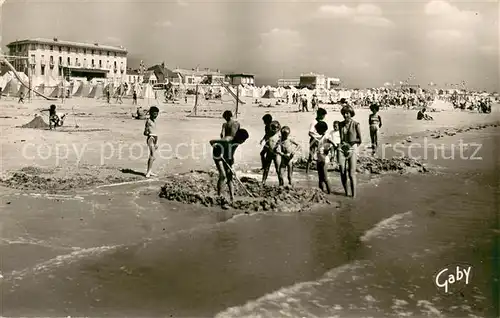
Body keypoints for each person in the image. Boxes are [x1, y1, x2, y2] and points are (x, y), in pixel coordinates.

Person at [210, 126, 249, 209]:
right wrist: (215, 147)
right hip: (217, 155)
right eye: (243, 140)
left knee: (230, 176)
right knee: (223, 175)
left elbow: (231, 154)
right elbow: (211, 141)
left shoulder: (237, 143)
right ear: (239, 138)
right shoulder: (227, 140)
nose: (244, 142)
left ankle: (232, 198)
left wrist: (232, 166)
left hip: (226, 156)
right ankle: (219, 196)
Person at [339, 104, 362, 198]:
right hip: (341, 149)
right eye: (344, 113)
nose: (345, 115)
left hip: (352, 148)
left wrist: (351, 142)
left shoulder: (356, 124)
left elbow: (360, 140)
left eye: (347, 113)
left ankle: (353, 196)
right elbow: (338, 139)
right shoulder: (340, 124)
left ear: (351, 114)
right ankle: (346, 193)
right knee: (342, 172)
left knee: (351, 174)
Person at [306, 107, 328, 174]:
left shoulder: (321, 122)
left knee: (321, 155)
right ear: (319, 114)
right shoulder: (314, 122)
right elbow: (310, 133)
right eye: (323, 115)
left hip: (320, 140)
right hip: (314, 140)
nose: (324, 117)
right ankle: (307, 171)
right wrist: (316, 139)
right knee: (311, 156)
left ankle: (321, 170)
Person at [262, 120, 283, 185]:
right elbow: (267, 141)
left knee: (278, 169)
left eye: (276, 128)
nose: (275, 130)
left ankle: (281, 182)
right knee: (266, 168)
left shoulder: (280, 135)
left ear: (278, 128)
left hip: (276, 153)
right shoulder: (269, 134)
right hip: (269, 152)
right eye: (273, 128)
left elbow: (281, 142)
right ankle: (263, 181)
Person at [315, 121, 334, 194]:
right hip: (319, 158)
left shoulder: (327, 136)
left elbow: (332, 145)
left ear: (321, 129)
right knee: (320, 178)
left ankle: (330, 193)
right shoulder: (321, 137)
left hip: (324, 159)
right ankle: (321, 193)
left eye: (317, 130)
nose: (316, 131)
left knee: (325, 178)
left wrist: (330, 152)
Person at [144, 106, 159, 178]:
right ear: (151, 113)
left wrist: (157, 142)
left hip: (156, 138)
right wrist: (149, 134)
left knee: (151, 156)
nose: (156, 115)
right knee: (153, 156)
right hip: (151, 138)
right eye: (155, 113)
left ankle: (149, 171)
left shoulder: (154, 121)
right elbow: (144, 132)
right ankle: (148, 172)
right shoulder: (148, 121)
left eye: (157, 114)